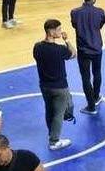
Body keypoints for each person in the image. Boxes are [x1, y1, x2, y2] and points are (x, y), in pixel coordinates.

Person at [32, 19, 76, 151]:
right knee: (59, 113)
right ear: (51, 32)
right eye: (58, 29)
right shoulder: (60, 49)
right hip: (59, 86)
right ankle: (54, 141)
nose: (60, 32)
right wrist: (67, 40)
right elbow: (73, 54)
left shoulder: (37, 47)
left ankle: (51, 133)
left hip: (44, 85)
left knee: (49, 110)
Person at [70, 0, 105, 115]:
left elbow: (74, 25)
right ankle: (96, 97)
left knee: (85, 77)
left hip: (83, 49)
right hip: (96, 48)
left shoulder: (75, 12)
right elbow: (100, 25)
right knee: (97, 73)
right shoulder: (100, 12)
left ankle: (91, 106)